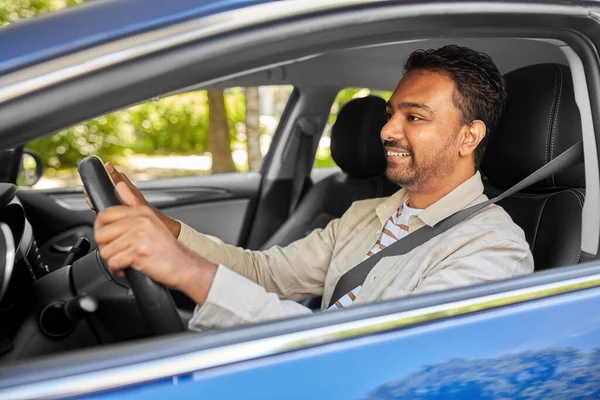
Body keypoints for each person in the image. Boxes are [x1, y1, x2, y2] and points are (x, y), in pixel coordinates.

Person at [91, 45, 534, 332]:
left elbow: (382, 356)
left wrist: (189, 273)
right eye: (390, 113)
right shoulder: (365, 215)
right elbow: (266, 275)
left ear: (468, 137)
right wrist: (166, 229)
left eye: (414, 117)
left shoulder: (492, 249)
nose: (388, 131)